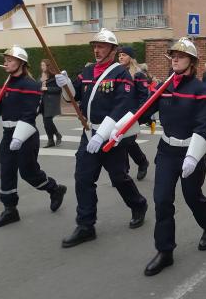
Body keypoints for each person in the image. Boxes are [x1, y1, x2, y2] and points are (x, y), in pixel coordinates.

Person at [125, 38, 206, 277]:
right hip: (167, 152)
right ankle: (165, 251)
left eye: (181, 56)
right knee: (162, 200)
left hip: (190, 153)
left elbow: (204, 124)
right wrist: (124, 126)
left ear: (192, 62)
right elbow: (146, 111)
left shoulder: (201, 90)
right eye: (173, 55)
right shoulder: (164, 87)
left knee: (192, 196)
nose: (175, 59)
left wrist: (193, 156)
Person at [56, 28, 148, 248]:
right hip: (89, 133)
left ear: (113, 50)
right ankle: (86, 225)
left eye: (102, 46)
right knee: (83, 178)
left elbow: (123, 105)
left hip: (110, 137)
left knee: (119, 178)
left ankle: (138, 204)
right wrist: (65, 84)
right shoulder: (87, 72)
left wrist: (103, 134)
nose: (97, 50)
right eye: (95, 46)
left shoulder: (120, 74)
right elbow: (74, 96)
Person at [0, 46, 67, 228]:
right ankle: (10, 210)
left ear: (21, 63)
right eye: (5, 59)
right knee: (7, 171)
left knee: (28, 173)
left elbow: (29, 113)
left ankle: (54, 189)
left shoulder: (31, 85)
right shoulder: (7, 84)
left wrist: (19, 138)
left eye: (10, 60)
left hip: (25, 136)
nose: (6, 63)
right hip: (8, 134)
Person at [117, 46, 151, 180]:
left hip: (132, 114)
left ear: (130, 58)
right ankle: (123, 172)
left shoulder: (138, 74)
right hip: (118, 112)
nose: (120, 57)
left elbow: (144, 97)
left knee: (128, 142)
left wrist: (137, 115)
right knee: (120, 141)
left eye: (124, 55)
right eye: (119, 55)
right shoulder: (117, 72)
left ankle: (141, 162)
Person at [38, 59, 62, 148]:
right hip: (42, 102)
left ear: (48, 66)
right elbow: (37, 86)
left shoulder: (55, 76)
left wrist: (47, 89)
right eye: (41, 65)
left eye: (43, 65)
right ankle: (51, 140)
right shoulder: (41, 76)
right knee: (46, 122)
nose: (42, 67)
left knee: (48, 120)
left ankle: (57, 135)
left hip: (51, 102)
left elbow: (59, 89)